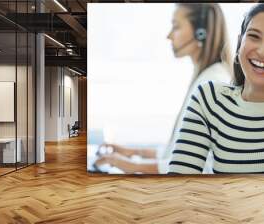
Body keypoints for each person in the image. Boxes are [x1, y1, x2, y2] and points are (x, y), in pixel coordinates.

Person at [95, 3, 232, 174]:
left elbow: (203, 164)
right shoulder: (206, 77)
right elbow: (184, 150)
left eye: (176, 26)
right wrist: (135, 152)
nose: (169, 36)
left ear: (200, 32)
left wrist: (131, 166)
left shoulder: (214, 83)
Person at [168, 3, 264, 174]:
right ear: (240, 42)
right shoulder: (209, 98)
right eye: (254, 36)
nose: (263, 51)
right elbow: (179, 180)